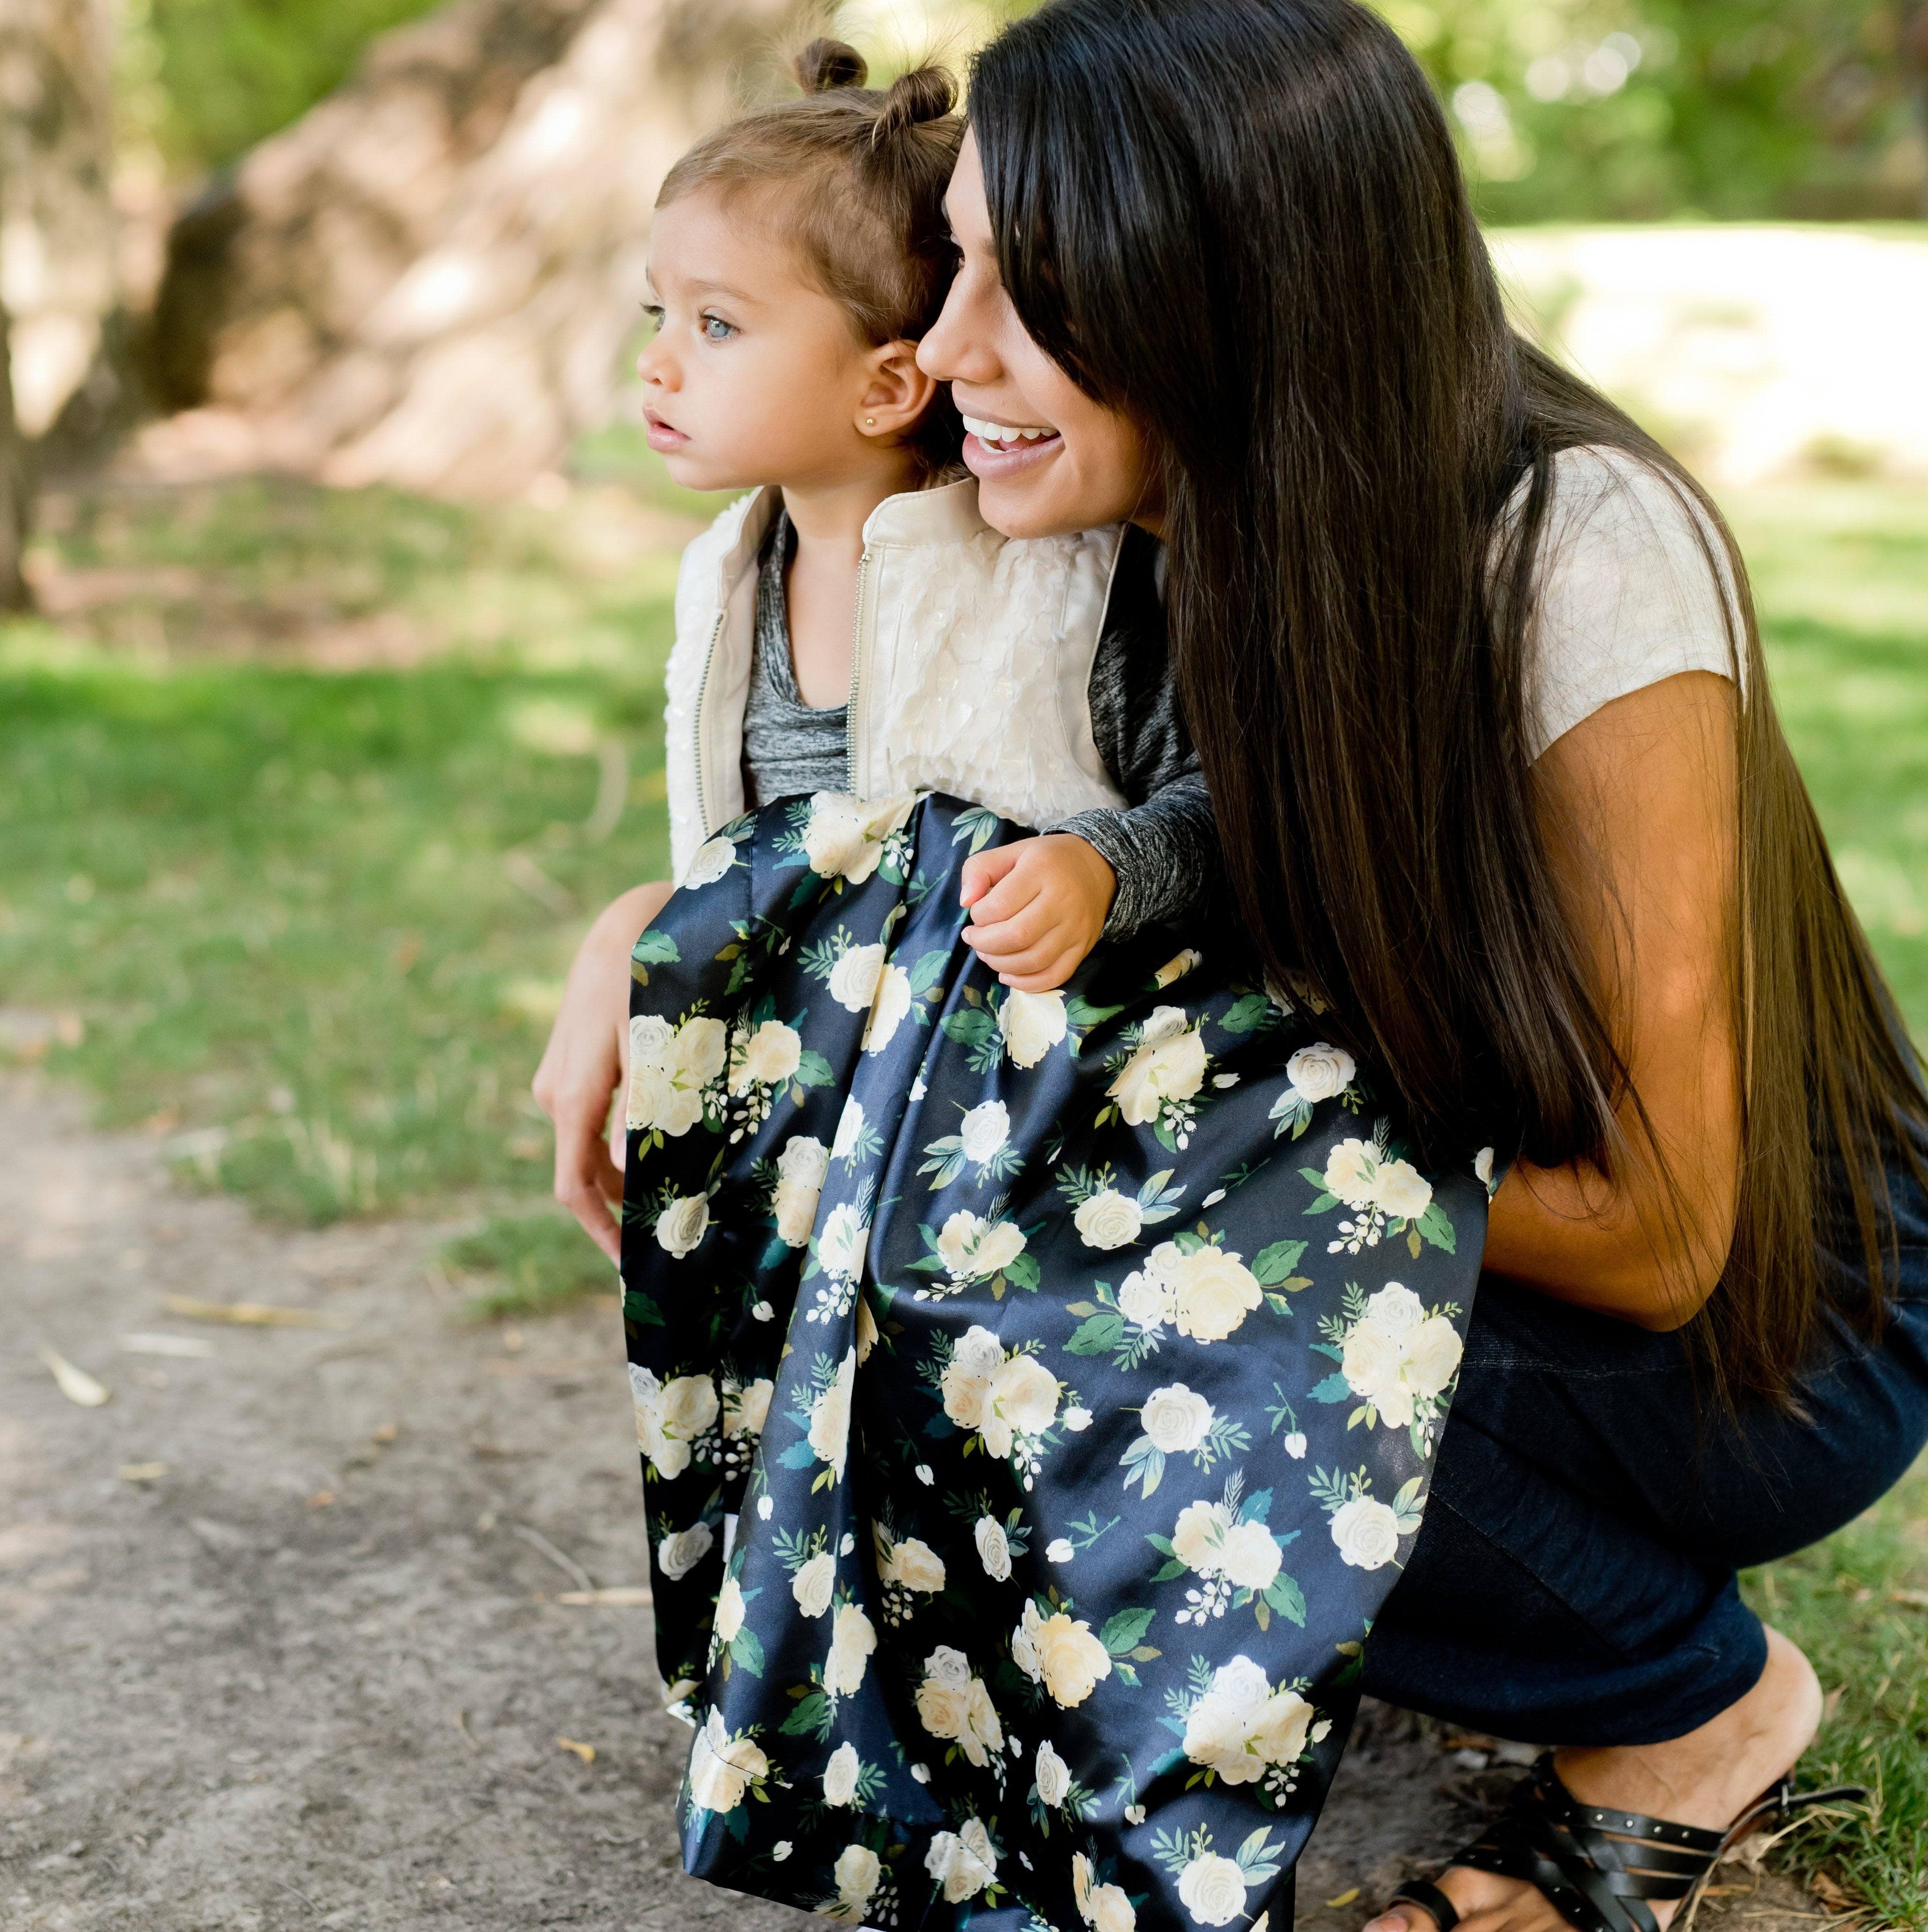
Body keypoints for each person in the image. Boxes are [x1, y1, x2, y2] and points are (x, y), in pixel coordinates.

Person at [893, 2, 1924, 1929]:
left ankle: (1686, 1701)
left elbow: (1663, 1230)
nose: (948, 347)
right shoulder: (1147, 521)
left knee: (1126, 1297)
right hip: (1464, 1220)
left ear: (1220, 290)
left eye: (1029, 287)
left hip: (1779, 1329)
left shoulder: (1576, 551)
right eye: (953, 263)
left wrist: (1206, 1161)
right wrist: (628, 947)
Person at [534, 38, 1217, 1262]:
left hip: (1035, 1179)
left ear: (889, 385)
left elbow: (1228, 806)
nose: (657, 360)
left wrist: (1103, 869)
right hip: (819, 1158)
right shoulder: (728, 579)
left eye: (717, 324)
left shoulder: (1061, 583)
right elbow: (745, 866)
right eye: (658, 313)